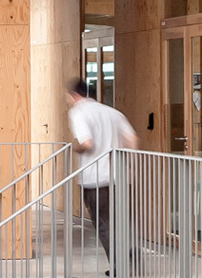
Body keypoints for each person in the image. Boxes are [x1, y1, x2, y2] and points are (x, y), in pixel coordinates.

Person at [65, 77, 139, 276]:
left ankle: (118, 266)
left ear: (75, 95)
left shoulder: (78, 112)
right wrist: (130, 166)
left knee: (104, 223)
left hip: (95, 177)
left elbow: (87, 143)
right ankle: (130, 248)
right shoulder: (112, 112)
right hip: (120, 176)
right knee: (121, 218)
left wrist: (74, 145)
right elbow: (132, 139)